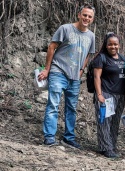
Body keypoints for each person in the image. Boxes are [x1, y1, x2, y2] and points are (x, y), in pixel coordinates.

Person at [38, 3, 96, 149]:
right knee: (53, 104)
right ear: (79, 15)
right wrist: (47, 69)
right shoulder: (65, 28)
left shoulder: (91, 36)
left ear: (92, 19)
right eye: (84, 15)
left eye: (89, 16)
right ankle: (49, 137)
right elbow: (52, 47)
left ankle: (68, 138)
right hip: (58, 71)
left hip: (75, 77)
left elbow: (89, 54)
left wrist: (82, 69)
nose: (86, 18)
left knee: (72, 108)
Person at [93, 32, 125, 158]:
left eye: (115, 44)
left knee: (115, 121)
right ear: (106, 45)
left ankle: (112, 146)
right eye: (110, 44)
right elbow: (97, 77)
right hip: (106, 94)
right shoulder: (101, 58)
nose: (113, 47)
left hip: (120, 94)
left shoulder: (123, 59)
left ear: (119, 45)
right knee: (105, 121)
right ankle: (105, 148)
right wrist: (99, 94)